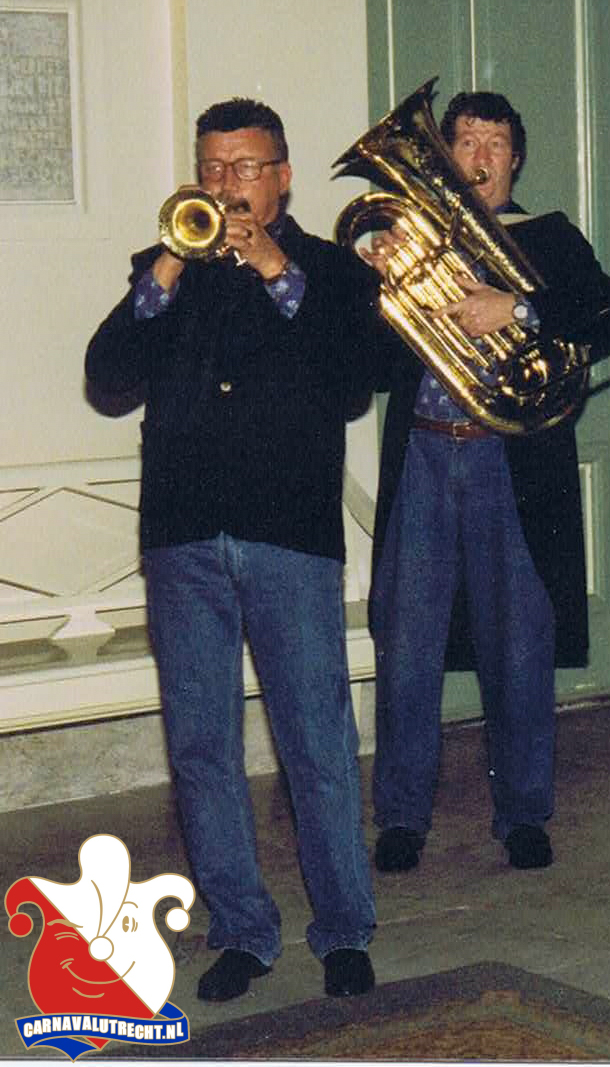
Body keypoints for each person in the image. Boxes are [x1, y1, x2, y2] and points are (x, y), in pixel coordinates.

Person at [84, 98, 378, 1003]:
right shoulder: (166, 267)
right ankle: (244, 930)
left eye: (245, 168)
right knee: (203, 747)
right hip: (184, 537)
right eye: (212, 168)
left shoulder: (330, 271)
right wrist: (169, 263)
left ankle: (344, 929)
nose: (226, 185)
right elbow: (106, 375)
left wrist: (275, 266)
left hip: (287, 533)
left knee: (315, 741)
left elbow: (353, 380)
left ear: (282, 176)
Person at [368, 90, 610, 874]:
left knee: (519, 644)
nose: (480, 157)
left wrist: (514, 308)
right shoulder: (417, 236)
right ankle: (401, 816)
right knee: (406, 643)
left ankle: (522, 813)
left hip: (508, 462)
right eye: (465, 141)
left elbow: (609, 314)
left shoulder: (548, 234)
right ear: (444, 156)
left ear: (515, 157)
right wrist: (378, 280)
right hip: (423, 453)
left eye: (495, 142)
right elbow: (370, 364)